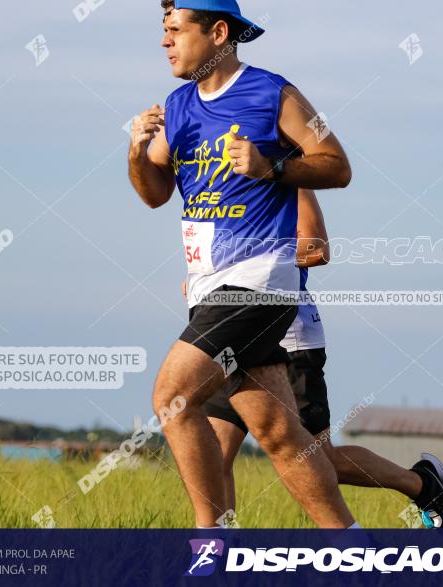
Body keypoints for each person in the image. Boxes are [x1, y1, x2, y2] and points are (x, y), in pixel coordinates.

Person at [127, 0, 356, 528]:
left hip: (258, 282)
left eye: (175, 30)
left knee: (173, 398)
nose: (165, 42)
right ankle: (352, 546)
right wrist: (138, 154)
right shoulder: (178, 104)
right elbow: (155, 193)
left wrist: (269, 164)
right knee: (281, 437)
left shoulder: (274, 91)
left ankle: (212, 543)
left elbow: (338, 166)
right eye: (163, 31)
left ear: (218, 32)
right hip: (207, 288)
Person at [198, 189, 443, 529]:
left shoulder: (290, 182)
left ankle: (423, 486)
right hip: (232, 336)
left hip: (287, 338)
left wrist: (241, 268)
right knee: (215, 453)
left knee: (322, 461)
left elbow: (316, 248)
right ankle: (218, 557)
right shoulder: (217, 190)